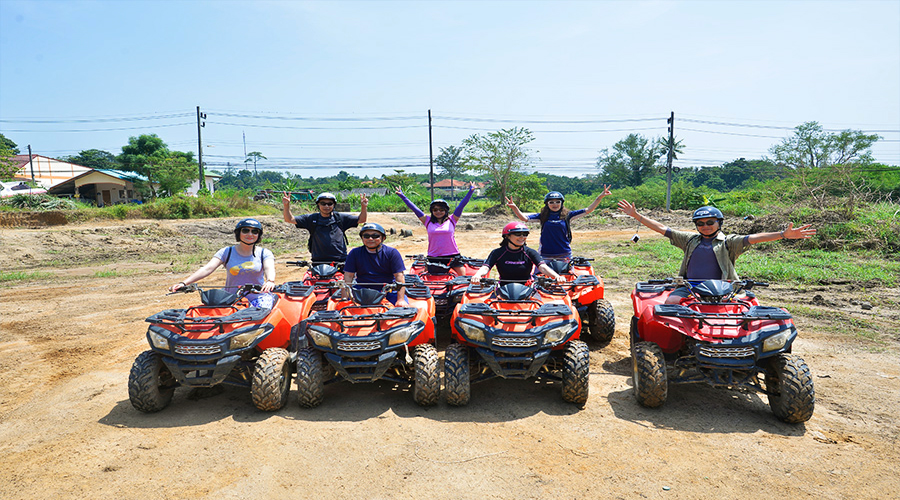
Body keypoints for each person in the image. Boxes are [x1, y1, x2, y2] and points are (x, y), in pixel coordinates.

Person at [617, 200, 817, 304]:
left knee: (746, 308)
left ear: (719, 223)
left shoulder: (730, 242)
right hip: (690, 287)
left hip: (724, 289)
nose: (705, 226)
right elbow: (662, 228)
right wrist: (637, 216)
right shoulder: (689, 240)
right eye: (701, 223)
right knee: (671, 303)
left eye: (710, 222)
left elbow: (754, 238)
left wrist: (783, 234)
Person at [169, 218, 276, 309]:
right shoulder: (226, 252)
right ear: (239, 233)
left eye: (254, 232)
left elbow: (269, 268)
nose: (250, 234)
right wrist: (184, 283)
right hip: (231, 298)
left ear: (258, 235)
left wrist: (270, 281)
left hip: (258, 298)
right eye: (245, 230)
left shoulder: (264, 253)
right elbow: (207, 268)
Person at [506, 186, 612, 259]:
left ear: (562, 203)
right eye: (551, 202)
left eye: (558, 202)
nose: (555, 204)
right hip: (545, 254)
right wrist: (514, 208)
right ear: (547, 204)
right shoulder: (543, 216)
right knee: (540, 281)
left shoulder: (568, 215)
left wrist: (600, 197)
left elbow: (588, 210)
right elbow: (524, 218)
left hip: (564, 254)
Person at [395, 182, 475, 274]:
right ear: (432, 211)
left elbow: (461, 205)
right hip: (433, 256)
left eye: (441, 210)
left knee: (463, 280)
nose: (438, 212)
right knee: (427, 282)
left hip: (453, 255)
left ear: (446, 211)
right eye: (435, 210)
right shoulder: (427, 221)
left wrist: (471, 191)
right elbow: (415, 209)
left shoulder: (452, 219)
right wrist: (402, 196)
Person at [470, 222, 567, 286]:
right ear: (507, 236)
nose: (522, 237)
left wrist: (556, 276)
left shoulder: (530, 252)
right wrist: (477, 275)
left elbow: (542, 267)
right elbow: (486, 267)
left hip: (528, 287)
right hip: (503, 288)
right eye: (518, 234)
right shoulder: (497, 252)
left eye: (525, 234)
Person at [282, 191, 368, 263]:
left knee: (345, 282)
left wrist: (364, 207)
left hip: (340, 260)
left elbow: (361, 220)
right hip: (318, 260)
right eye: (323, 203)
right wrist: (286, 206)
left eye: (329, 204)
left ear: (334, 205)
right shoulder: (311, 219)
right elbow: (289, 219)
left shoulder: (340, 218)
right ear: (318, 205)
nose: (326, 206)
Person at [343, 223, 408, 304]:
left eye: (375, 236)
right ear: (362, 238)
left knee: (404, 311)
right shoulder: (354, 253)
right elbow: (348, 276)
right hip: (362, 290)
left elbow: (399, 276)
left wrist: (400, 299)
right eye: (366, 236)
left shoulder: (392, 253)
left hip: (388, 290)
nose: (370, 239)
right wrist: (345, 298)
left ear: (383, 238)